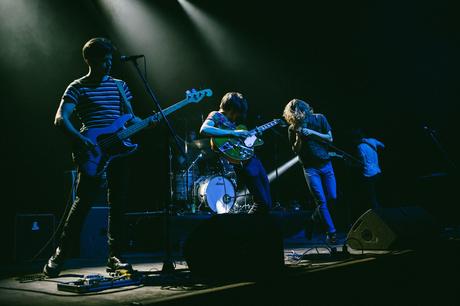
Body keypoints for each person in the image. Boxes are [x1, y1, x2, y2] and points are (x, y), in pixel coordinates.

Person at [44, 38, 140, 277]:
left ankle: (115, 256)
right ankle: (59, 255)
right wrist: (81, 139)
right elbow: (60, 118)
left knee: (119, 203)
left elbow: (130, 118)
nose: (107, 65)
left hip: (118, 150)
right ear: (89, 60)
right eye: (102, 61)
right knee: (83, 203)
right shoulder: (77, 87)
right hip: (92, 150)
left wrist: (141, 123)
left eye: (109, 60)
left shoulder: (120, 85)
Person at [200, 92, 272, 214]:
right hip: (241, 163)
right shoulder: (216, 115)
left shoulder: (234, 124)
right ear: (231, 108)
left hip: (250, 158)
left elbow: (244, 144)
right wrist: (235, 133)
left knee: (268, 201)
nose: (238, 115)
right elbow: (204, 129)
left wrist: (254, 138)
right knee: (261, 202)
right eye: (238, 111)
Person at [283, 99, 337, 243]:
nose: (298, 118)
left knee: (332, 197)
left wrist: (311, 132)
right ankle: (331, 233)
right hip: (310, 168)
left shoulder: (320, 118)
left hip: (326, 164)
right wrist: (299, 138)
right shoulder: (292, 128)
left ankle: (312, 219)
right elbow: (295, 150)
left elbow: (330, 138)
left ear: (305, 111)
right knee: (321, 201)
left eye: (300, 115)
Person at [352, 129, 385, 213]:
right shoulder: (372, 140)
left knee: (372, 198)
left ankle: (377, 215)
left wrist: (351, 164)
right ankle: (383, 213)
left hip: (369, 175)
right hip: (378, 171)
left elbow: (362, 163)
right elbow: (383, 145)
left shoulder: (360, 147)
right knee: (378, 195)